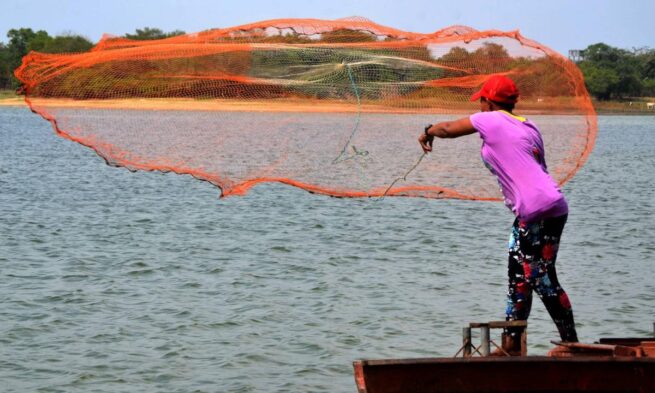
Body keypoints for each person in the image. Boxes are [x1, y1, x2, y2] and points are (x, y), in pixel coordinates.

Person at [418, 75, 578, 353]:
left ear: (488, 102)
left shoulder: (490, 119)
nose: (479, 106)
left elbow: (447, 129)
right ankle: (513, 345)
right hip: (553, 207)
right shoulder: (528, 125)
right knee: (521, 276)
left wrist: (427, 130)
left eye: (481, 101)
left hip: (534, 210)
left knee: (539, 277)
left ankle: (571, 344)